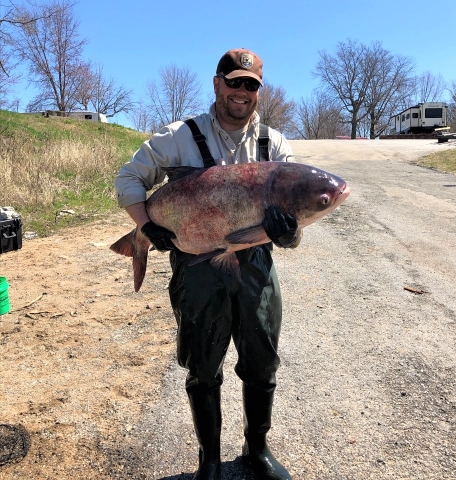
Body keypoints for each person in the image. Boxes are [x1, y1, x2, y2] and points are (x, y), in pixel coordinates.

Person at [115, 48, 300, 480]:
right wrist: (147, 225)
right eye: (233, 81)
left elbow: (297, 216)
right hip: (197, 266)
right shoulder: (179, 136)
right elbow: (128, 178)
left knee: (262, 359)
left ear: (259, 90)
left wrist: (289, 232)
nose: (241, 91)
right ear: (217, 83)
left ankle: (257, 450)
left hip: (255, 264)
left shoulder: (274, 145)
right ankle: (210, 461)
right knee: (202, 363)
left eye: (250, 84)